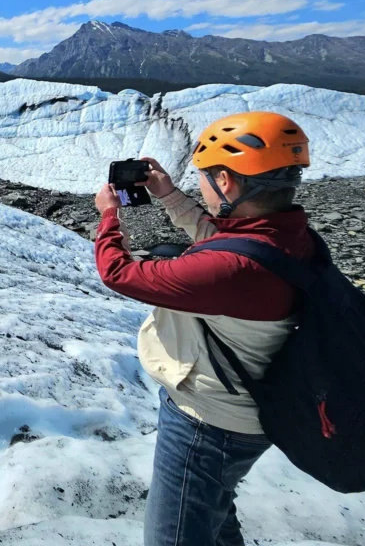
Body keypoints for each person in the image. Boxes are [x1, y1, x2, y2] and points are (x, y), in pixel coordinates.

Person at [92, 111, 312, 546]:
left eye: (206, 177)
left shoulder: (230, 270)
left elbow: (118, 274)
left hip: (208, 424)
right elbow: (227, 240)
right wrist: (171, 195)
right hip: (250, 412)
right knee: (211, 512)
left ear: (226, 182)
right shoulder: (288, 237)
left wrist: (108, 218)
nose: (205, 185)